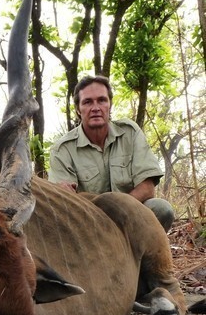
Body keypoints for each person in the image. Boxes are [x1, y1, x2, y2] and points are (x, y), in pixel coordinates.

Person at [48, 75, 174, 232]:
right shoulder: (62, 149)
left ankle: (143, 256)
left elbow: (147, 187)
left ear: (110, 105)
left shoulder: (130, 132)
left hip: (130, 216)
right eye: (87, 102)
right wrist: (61, 191)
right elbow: (63, 201)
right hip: (88, 222)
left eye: (101, 100)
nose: (96, 108)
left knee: (162, 209)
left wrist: (117, 212)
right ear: (78, 110)